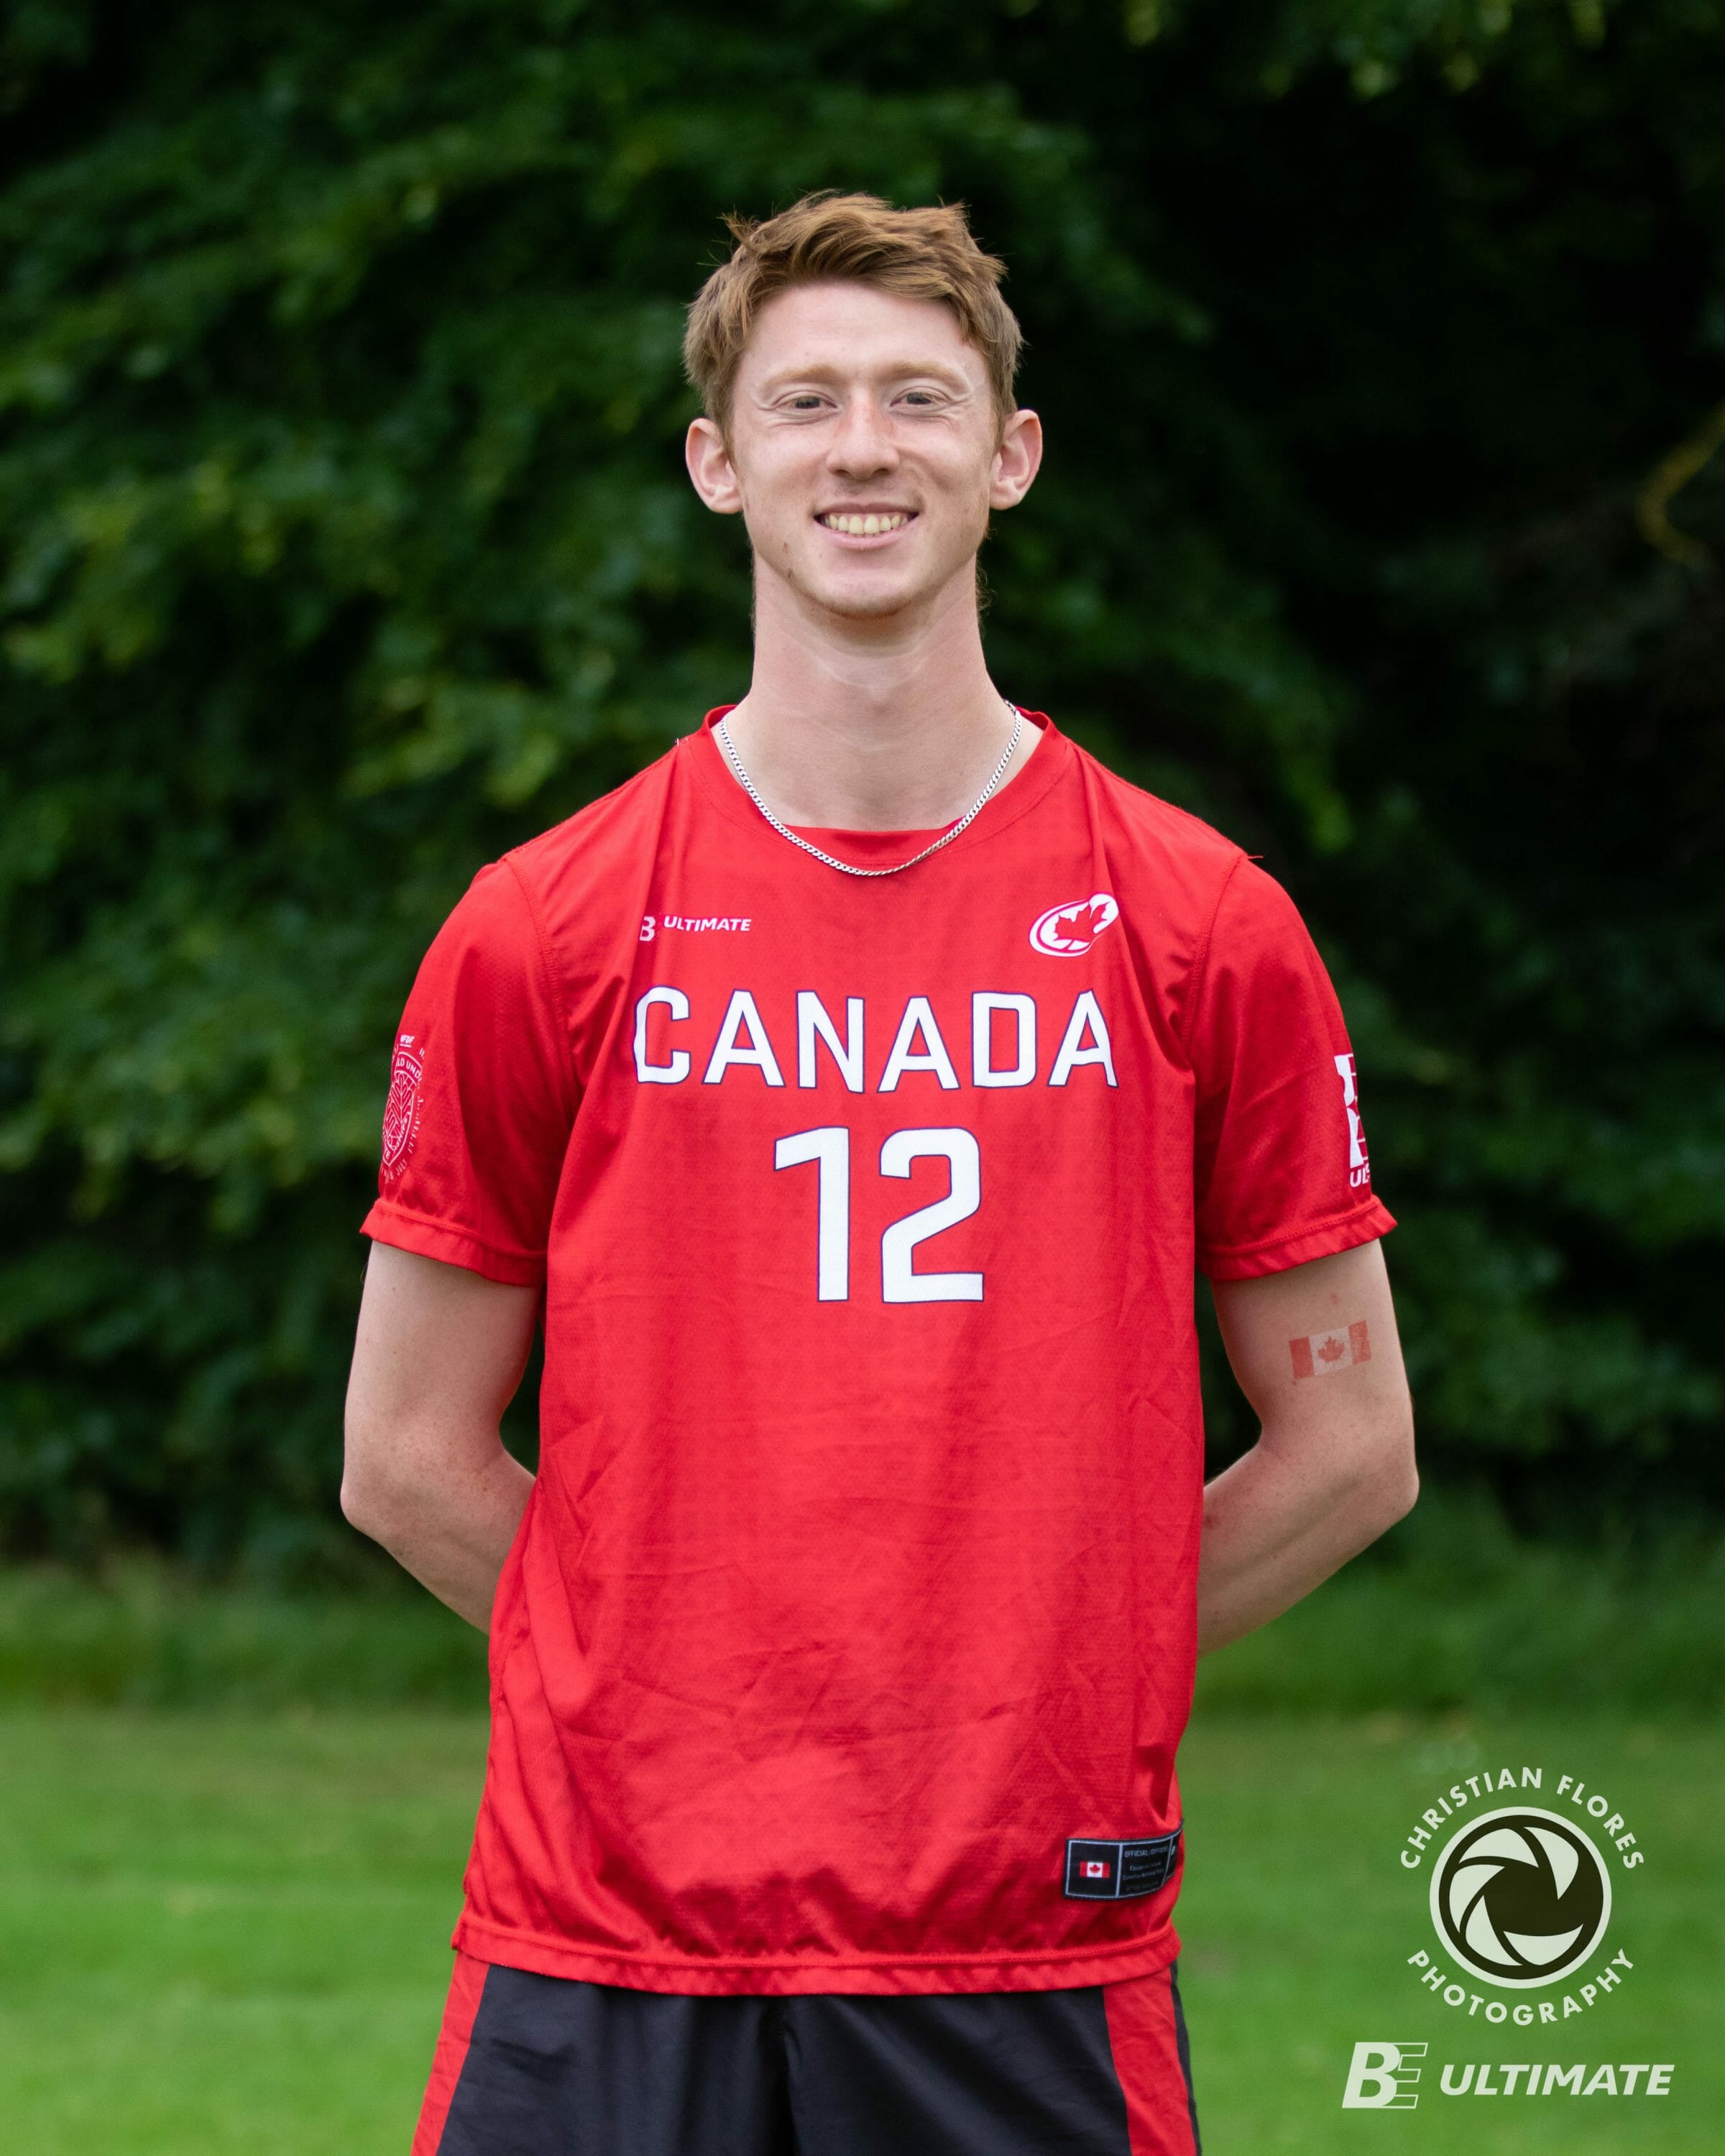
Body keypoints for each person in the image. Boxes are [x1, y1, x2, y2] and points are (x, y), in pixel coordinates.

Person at [342, 191, 1417, 2156]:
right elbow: (404, 1453)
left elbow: (1351, 1446)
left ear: (1009, 456)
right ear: (717, 462)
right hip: (613, 1928)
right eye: (808, 401)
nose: (863, 448)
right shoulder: (544, 928)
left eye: (921, 401)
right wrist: (677, 1702)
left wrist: (1030, 1673)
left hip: (1021, 1932)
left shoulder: (1198, 922)